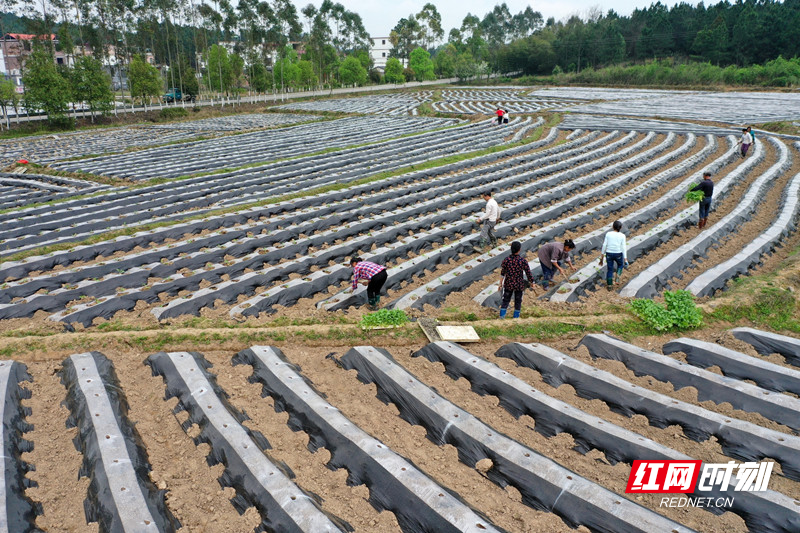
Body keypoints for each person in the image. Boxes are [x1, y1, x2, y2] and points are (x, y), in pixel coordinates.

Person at [498, 241, 534, 318]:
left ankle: (502, 317)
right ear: (519, 250)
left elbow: (502, 273)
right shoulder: (522, 261)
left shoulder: (506, 260)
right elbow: (528, 273)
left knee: (506, 300)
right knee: (518, 301)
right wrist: (532, 282)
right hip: (519, 284)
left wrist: (500, 284)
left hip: (509, 283)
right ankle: (516, 318)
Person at [598, 220, 628, 290]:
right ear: (620, 227)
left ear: (613, 226)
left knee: (610, 269)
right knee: (620, 265)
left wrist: (602, 257)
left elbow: (604, 245)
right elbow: (623, 247)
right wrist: (625, 258)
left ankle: (609, 286)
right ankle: (618, 275)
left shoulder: (608, 234)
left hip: (609, 253)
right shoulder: (622, 236)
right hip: (618, 253)